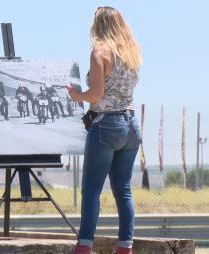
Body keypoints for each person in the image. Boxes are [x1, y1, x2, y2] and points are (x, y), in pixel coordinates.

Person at [67, 7, 142, 254]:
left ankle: (85, 245)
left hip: (107, 124)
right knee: (124, 189)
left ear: (97, 25)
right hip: (131, 124)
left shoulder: (100, 52)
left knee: (91, 190)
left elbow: (96, 94)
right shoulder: (131, 52)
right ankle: (125, 247)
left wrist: (76, 94)